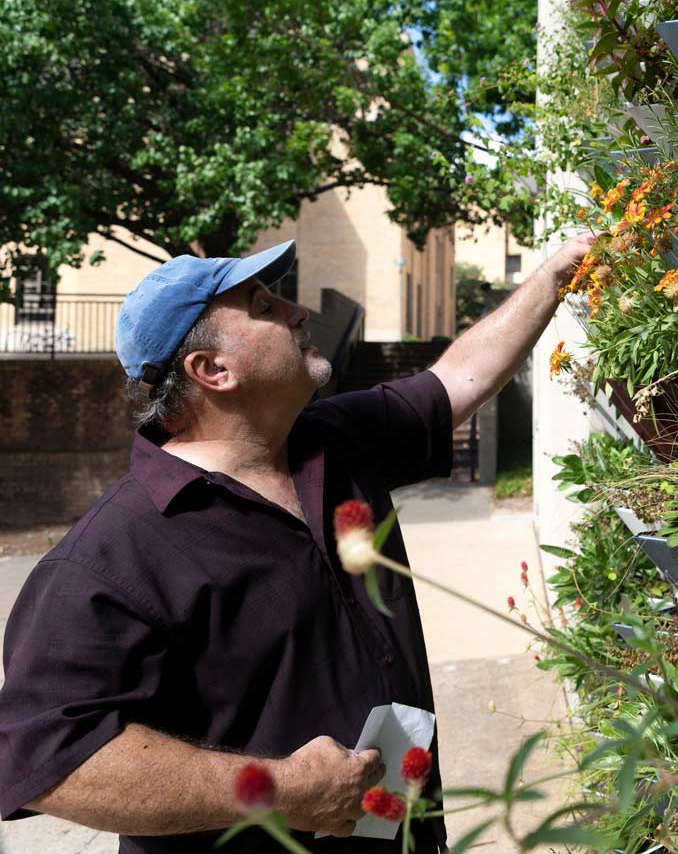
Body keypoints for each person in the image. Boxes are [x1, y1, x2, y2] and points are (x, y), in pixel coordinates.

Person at [0, 236, 588, 853]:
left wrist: (551, 276)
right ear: (212, 371)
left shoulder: (332, 440)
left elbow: (454, 381)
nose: (297, 312)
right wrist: (277, 789)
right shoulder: (112, 555)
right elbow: (50, 762)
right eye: (262, 305)